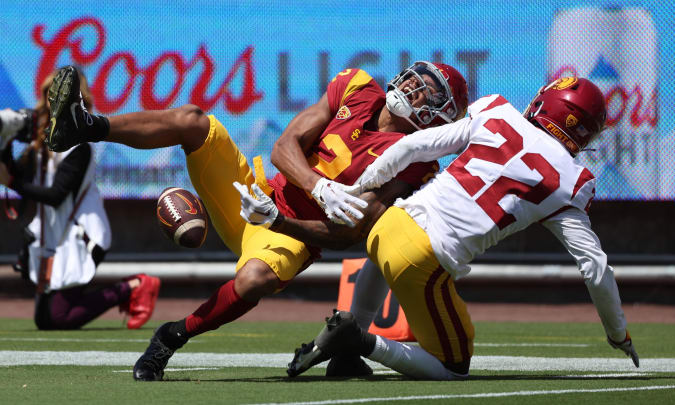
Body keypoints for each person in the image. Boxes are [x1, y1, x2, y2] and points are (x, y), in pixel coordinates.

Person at [42, 62, 469, 380]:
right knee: (194, 121)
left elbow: (348, 235)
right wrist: (317, 187)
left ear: (440, 117)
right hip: (252, 188)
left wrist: (279, 221)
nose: (413, 88)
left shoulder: (417, 165)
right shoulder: (357, 87)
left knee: (253, 282)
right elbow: (286, 145)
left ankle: (169, 338)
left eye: (427, 93)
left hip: (289, 233)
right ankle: (88, 125)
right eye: (416, 79)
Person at [238, 77, 640, 380]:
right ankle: (358, 341)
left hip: (390, 222)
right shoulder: (572, 181)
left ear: (543, 102)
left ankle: (347, 339)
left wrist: (360, 187)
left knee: (383, 258)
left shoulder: (496, 113)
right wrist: (617, 332)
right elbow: (594, 268)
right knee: (454, 366)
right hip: (425, 256)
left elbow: (412, 147)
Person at [0, 68, 160, 330]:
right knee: (45, 319)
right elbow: (17, 173)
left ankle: (133, 287)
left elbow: (55, 195)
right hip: (57, 238)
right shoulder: (40, 145)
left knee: (59, 318)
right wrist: (5, 143)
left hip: (84, 236)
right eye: (48, 97)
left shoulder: (79, 147)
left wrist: (12, 182)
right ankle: (130, 288)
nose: (49, 104)